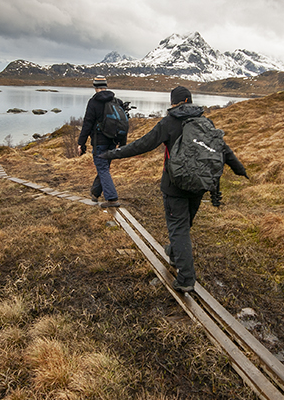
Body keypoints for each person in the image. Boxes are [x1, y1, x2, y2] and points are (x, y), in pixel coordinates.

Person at [102, 86, 248, 292]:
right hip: (198, 184)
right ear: (189, 100)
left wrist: (111, 154)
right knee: (184, 224)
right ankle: (174, 251)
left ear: (174, 102)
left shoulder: (169, 122)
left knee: (178, 228)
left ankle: (186, 278)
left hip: (175, 185)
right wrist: (239, 169)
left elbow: (142, 145)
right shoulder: (206, 122)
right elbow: (222, 148)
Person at [77, 76, 126, 208]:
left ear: (95, 86)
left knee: (103, 168)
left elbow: (87, 123)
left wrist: (81, 142)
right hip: (113, 141)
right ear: (105, 86)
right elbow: (123, 122)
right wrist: (122, 143)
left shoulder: (93, 102)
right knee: (103, 168)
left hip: (99, 142)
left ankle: (112, 198)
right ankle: (95, 193)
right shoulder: (116, 101)